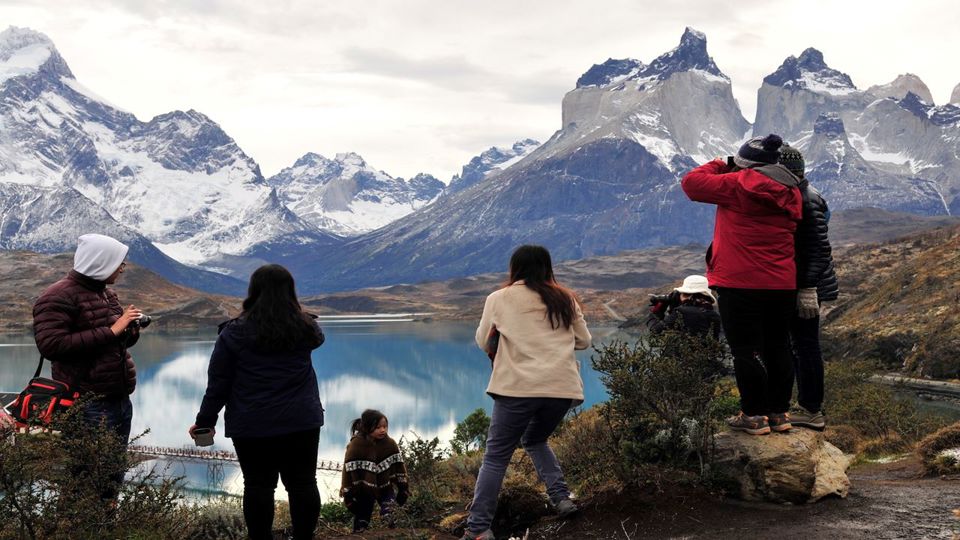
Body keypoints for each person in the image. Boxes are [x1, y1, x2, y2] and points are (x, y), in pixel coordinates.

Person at [462, 245, 591, 540]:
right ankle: (561, 498)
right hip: (561, 388)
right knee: (535, 439)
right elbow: (583, 341)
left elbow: (483, 341)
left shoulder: (498, 299)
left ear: (514, 268)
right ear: (548, 267)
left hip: (517, 389)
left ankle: (479, 528)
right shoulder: (565, 298)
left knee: (495, 457)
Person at [189, 264, 325, 540]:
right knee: (302, 484)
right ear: (290, 292)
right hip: (301, 420)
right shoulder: (306, 328)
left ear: (253, 291)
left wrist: (205, 422)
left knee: (258, 486)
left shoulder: (233, 333)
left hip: (252, 424)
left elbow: (218, 384)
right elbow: (316, 335)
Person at [681, 135, 803, 436]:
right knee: (778, 346)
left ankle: (753, 415)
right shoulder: (792, 190)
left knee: (745, 351)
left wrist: (724, 162)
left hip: (740, 282)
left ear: (747, 163)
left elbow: (692, 184)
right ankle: (779, 412)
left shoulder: (739, 184)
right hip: (782, 283)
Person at [33, 234, 142, 446]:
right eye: (118, 262)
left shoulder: (107, 293)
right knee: (88, 474)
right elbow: (51, 346)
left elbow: (116, 341)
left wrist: (131, 329)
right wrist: (112, 330)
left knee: (113, 472)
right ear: (101, 261)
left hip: (118, 399)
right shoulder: (56, 296)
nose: (122, 268)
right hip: (84, 403)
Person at [779, 144, 838, 431]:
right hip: (804, 282)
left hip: (805, 284)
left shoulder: (804, 198)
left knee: (805, 345)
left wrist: (807, 287)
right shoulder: (808, 195)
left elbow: (816, 247)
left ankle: (811, 409)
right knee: (799, 345)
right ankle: (803, 405)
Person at [341, 409, 410, 532]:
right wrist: (348, 493)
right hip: (364, 489)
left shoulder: (390, 444)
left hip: (385, 486)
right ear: (367, 427)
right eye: (378, 427)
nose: (383, 430)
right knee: (362, 515)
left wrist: (403, 487)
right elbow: (347, 471)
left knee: (390, 510)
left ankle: (392, 531)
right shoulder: (355, 446)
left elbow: (399, 466)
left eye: (385, 426)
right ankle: (359, 532)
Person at [646, 274, 721, 340]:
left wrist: (657, 311)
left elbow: (655, 330)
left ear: (689, 295)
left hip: (677, 356)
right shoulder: (714, 316)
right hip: (706, 356)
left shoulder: (680, 312)